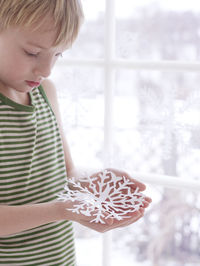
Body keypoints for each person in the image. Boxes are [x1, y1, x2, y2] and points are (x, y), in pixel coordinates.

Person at [0, 0, 152, 265]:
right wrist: (62, 210)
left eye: (58, 55)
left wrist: (91, 186)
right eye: (33, 52)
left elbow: (66, 173)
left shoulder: (46, 92)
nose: (46, 70)